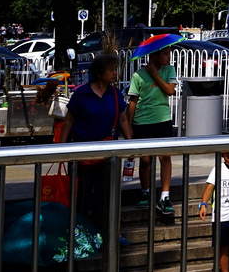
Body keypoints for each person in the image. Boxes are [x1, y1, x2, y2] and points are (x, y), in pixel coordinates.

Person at [57, 51, 132, 225]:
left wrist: (130, 143)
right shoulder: (82, 93)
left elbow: (122, 119)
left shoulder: (115, 93)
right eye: (111, 70)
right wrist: (60, 149)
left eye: (115, 70)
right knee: (81, 196)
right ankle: (80, 232)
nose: (115, 73)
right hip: (81, 153)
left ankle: (101, 232)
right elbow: (69, 120)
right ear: (99, 73)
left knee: (103, 195)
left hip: (107, 154)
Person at [127, 43, 177, 221]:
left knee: (165, 157)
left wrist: (155, 75)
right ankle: (145, 192)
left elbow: (170, 90)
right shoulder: (138, 75)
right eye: (165, 54)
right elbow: (133, 101)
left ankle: (164, 195)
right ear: (154, 56)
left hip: (162, 120)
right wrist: (129, 127)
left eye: (169, 53)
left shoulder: (169, 70)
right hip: (142, 121)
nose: (169, 57)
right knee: (146, 159)